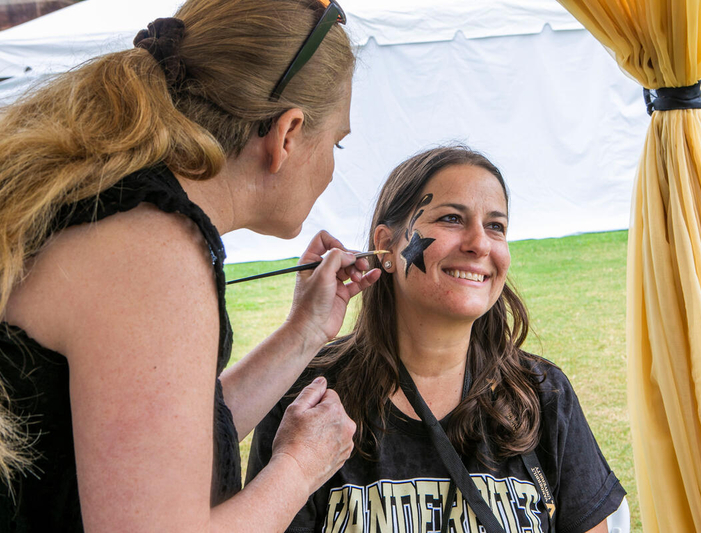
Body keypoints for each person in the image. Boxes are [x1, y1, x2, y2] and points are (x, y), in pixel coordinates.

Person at [0, 0, 379, 530]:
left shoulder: (128, 214)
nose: (335, 166)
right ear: (288, 134)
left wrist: (305, 332)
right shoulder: (150, 253)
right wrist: (300, 466)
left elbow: (154, 444)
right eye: (337, 141)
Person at [247, 146, 627, 533]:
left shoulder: (543, 394)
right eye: (451, 218)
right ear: (388, 247)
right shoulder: (309, 398)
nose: (480, 244)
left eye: (496, 226)